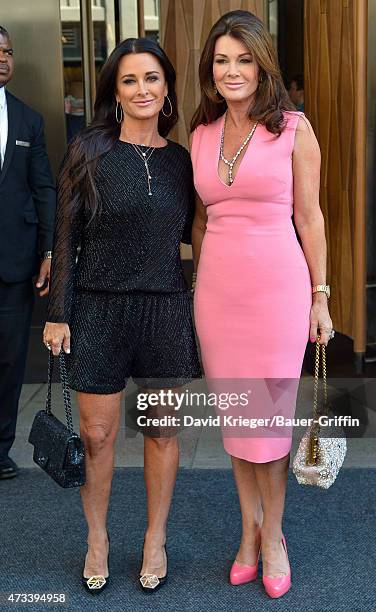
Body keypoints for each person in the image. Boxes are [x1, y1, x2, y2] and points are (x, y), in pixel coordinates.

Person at [43, 37, 201, 594]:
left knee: (161, 432)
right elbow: (66, 236)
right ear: (115, 89)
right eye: (130, 80)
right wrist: (57, 313)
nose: (142, 89)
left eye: (152, 79)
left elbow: (203, 235)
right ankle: (98, 538)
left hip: (163, 312)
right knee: (97, 435)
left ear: (167, 90)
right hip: (98, 309)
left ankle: (156, 538)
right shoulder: (88, 151)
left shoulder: (182, 160)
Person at [190, 11, 333, 599]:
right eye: (222, 61)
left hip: (277, 293)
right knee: (237, 426)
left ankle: (273, 535)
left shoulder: (293, 129)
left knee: (268, 428)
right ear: (211, 71)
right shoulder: (199, 135)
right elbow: (201, 220)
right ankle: (247, 530)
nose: (232, 71)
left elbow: (311, 217)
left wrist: (320, 297)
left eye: (243, 59)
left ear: (262, 64)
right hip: (219, 297)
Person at [0, 25, 56, 480]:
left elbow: (43, 189)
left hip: (12, 263)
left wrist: (50, 250)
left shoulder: (28, 120)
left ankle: (0, 450)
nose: (3, 58)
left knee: (9, 358)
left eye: (8, 51)